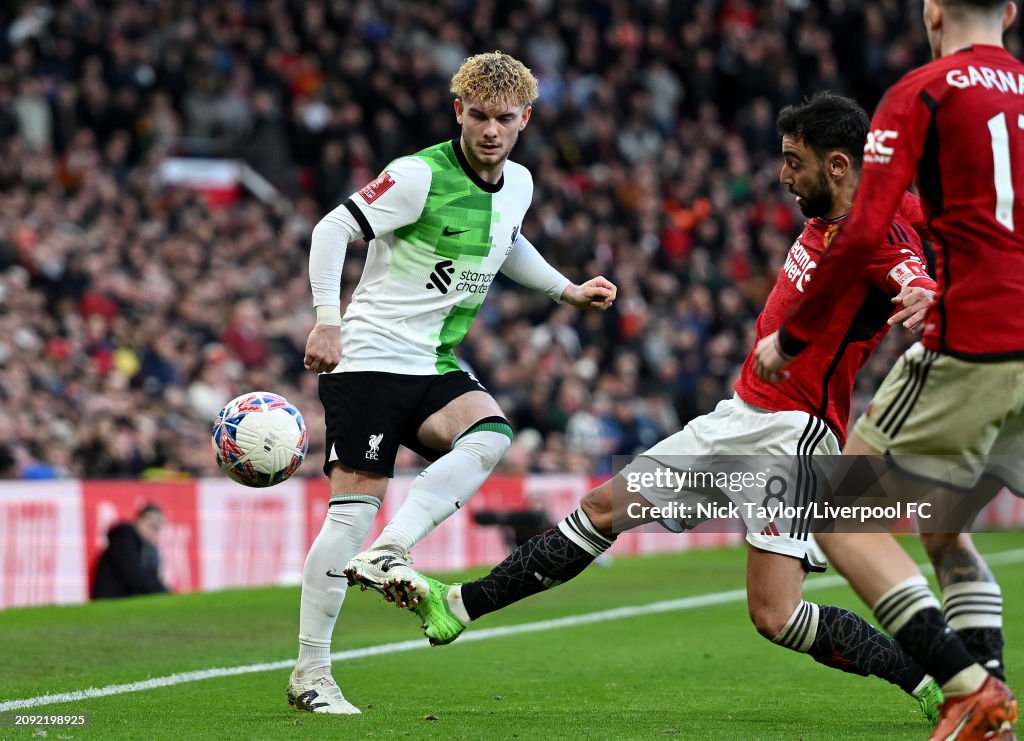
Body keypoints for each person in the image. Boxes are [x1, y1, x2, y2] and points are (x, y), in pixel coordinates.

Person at [392, 92, 949, 720]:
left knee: (775, 616)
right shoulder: (870, 200)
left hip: (793, 437)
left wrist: (932, 296)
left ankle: (929, 680)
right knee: (602, 509)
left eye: (795, 162)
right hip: (738, 415)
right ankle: (459, 607)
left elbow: (911, 272)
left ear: (839, 166)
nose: (783, 175)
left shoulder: (875, 239)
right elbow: (946, 220)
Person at [288, 51, 617, 715]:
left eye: (505, 118)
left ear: (525, 119)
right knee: (350, 513)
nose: (491, 129)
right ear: (458, 111)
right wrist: (327, 319)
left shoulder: (518, 182)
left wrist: (566, 290)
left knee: (490, 433)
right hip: (371, 358)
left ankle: (393, 550)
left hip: (433, 359)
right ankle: (310, 672)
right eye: (480, 116)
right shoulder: (417, 175)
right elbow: (332, 228)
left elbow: (509, 240)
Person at [752, 1, 1022, 737]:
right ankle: (987, 714)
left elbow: (866, 223)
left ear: (932, 10)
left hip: (975, 341)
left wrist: (793, 335)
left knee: (839, 509)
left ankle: (970, 688)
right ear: (1009, 10)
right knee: (944, 524)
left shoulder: (922, 91)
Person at [91, 504, 170, 599]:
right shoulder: (124, 538)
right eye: (151, 525)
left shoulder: (147, 549)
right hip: (112, 601)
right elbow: (136, 576)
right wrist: (164, 593)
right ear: (138, 521)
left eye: (157, 528)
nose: (154, 531)